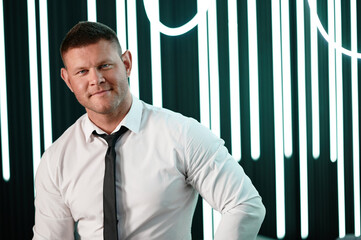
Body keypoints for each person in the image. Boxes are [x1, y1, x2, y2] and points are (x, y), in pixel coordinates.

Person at [32, 21, 265, 240]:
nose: (97, 79)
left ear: (126, 64)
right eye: (82, 72)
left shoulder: (181, 135)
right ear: (68, 80)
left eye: (104, 65)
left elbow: (244, 203)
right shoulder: (56, 161)